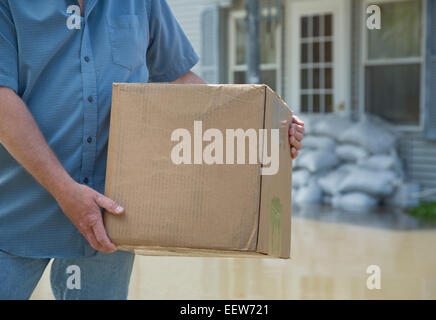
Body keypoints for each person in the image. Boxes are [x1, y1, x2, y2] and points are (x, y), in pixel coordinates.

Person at [0, 0, 304, 300]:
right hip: (17, 215)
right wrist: (66, 190)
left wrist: (262, 130)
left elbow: (179, 78)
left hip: (111, 218)